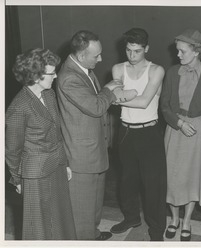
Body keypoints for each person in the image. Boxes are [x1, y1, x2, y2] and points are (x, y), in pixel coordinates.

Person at [56, 30, 137, 240]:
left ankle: (92, 233)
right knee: (82, 209)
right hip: (81, 156)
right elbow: (95, 107)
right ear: (82, 55)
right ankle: (85, 239)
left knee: (94, 204)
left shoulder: (85, 69)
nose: (100, 59)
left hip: (94, 150)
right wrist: (109, 90)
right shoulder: (68, 78)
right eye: (96, 55)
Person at [5, 48, 77, 240]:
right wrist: (18, 180)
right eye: (51, 73)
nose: (55, 76)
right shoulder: (19, 107)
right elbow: (12, 150)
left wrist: (66, 163)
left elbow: (57, 133)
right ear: (36, 76)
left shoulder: (49, 95)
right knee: (39, 227)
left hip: (57, 165)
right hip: (35, 173)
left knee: (61, 219)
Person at [160, 28, 201, 241]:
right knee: (172, 177)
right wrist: (178, 123)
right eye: (177, 51)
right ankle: (174, 219)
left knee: (192, 178)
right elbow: (164, 105)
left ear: (196, 51)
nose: (178, 55)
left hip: (198, 130)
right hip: (175, 127)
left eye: (182, 51)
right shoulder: (172, 72)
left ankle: (187, 221)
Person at [109, 28, 167, 241]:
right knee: (127, 181)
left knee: (154, 185)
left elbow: (143, 103)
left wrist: (120, 96)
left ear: (147, 49)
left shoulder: (156, 70)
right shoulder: (118, 68)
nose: (132, 56)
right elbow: (117, 96)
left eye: (137, 51)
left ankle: (156, 230)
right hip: (125, 132)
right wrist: (124, 95)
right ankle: (131, 217)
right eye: (128, 50)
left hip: (149, 132)